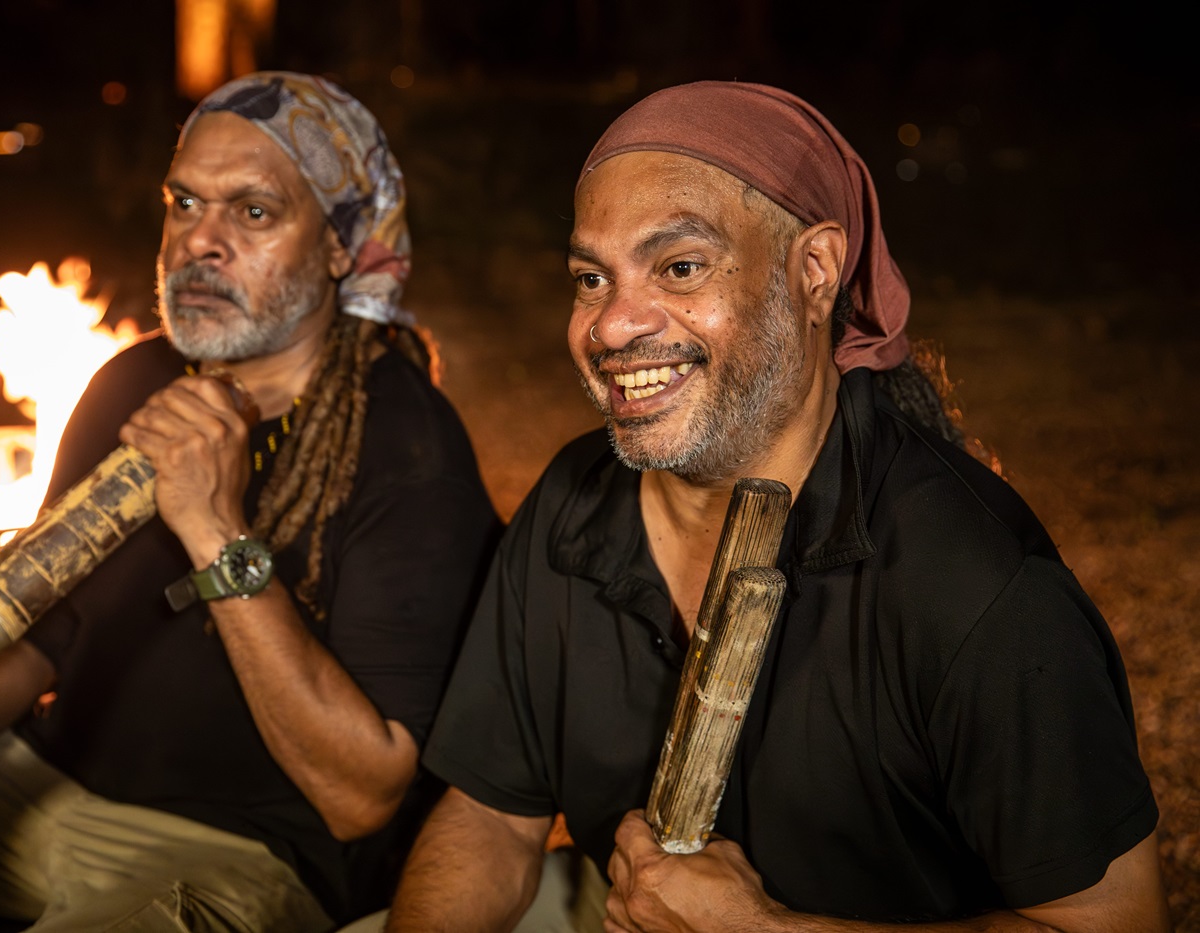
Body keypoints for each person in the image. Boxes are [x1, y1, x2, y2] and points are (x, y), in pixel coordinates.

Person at [387, 82, 1170, 931]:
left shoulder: (974, 584)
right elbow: (493, 817)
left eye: (680, 266)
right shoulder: (573, 506)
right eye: (590, 277)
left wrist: (760, 930)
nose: (611, 326)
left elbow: (1114, 923)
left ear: (815, 272)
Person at [0, 72, 498, 931]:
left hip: (237, 852)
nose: (198, 240)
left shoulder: (407, 449)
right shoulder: (134, 379)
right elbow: (48, 637)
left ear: (338, 246)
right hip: (36, 784)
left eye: (253, 212)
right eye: (184, 202)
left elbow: (362, 799)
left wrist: (214, 528)